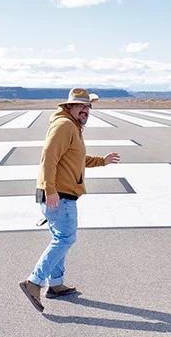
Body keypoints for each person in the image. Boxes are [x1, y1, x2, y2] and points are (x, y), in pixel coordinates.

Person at [19, 87, 120, 312]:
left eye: (88, 107)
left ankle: (55, 285)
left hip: (61, 192)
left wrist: (102, 161)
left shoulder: (72, 126)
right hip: (59, 194)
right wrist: (50, 189)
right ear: (69, 106)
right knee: (65, 239)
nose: (85, 110)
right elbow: (48, 158)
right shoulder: (64, 125)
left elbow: (75, 159)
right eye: (81, 106)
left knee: (60, 238)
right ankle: (34, 282)